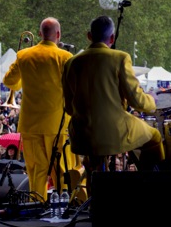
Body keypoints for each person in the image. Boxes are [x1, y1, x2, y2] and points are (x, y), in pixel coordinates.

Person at [62, 16, 164, 185]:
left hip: (82, 134)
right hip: (114, 131)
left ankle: (94, 198)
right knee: (154, 137)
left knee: (93, 159)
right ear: (112, 38)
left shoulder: (71, 63)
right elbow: (137, 101)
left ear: (89, 36)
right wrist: (152, 102)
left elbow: (69, 107)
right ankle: (151, 187)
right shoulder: (120, 58)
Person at [3, 17, 82, 201]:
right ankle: (63, 207)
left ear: (39, 34)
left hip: (30, 124)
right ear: (58, 35)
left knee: (36, 170)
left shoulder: (23, 56)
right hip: (58, 124)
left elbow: (9, 81)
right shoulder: (65, 57)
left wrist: (25, 79)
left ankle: (37, 205)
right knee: (62, 169)